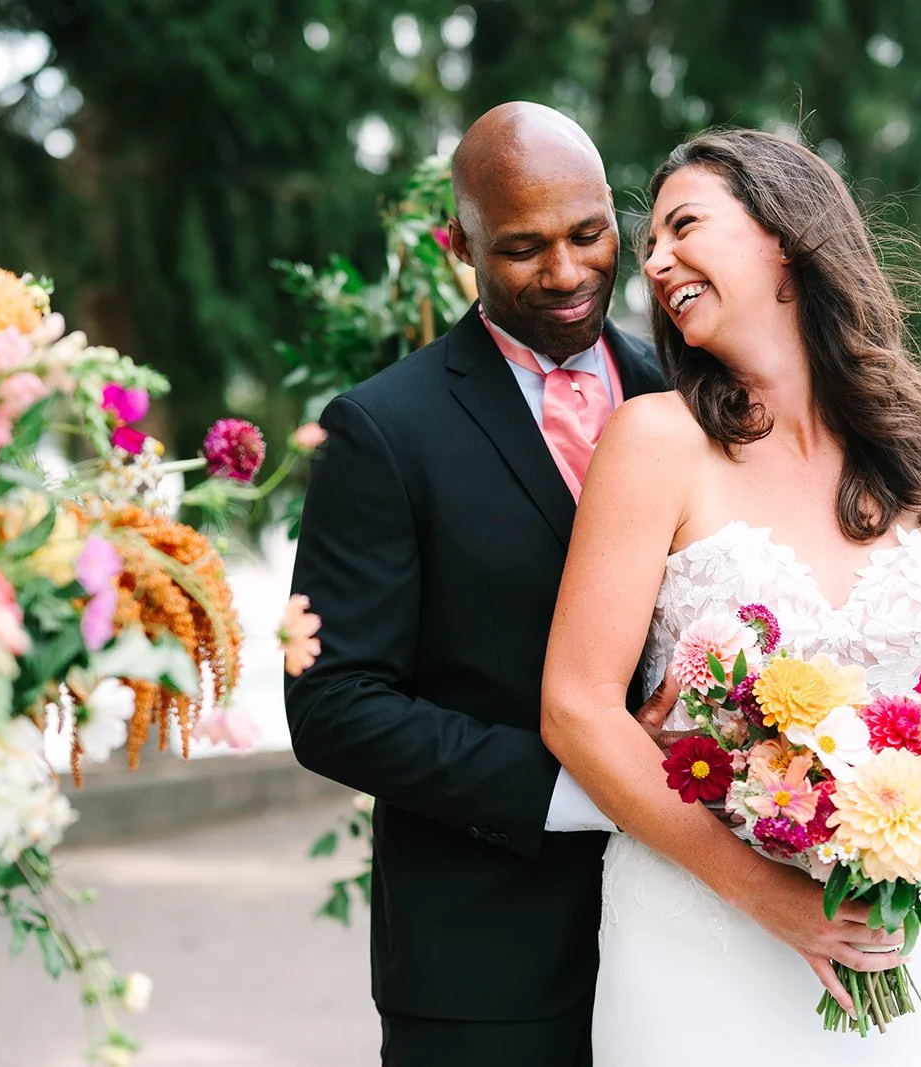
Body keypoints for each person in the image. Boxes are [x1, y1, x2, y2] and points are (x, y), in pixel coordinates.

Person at [540, 128, 921, 1063]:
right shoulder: (654, 441)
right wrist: (765, 893)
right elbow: (575, 705)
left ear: (785, 237)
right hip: (698, 937)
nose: (658, 262)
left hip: (890, 923)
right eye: (650, 250)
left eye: (684, 226)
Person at [285, 102, 669, 1067]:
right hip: (483, 969)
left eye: (589, 234)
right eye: (524, 248)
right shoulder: (381, 431)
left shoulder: (688, 395)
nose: (569, 272)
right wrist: (595, 786)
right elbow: (333, 704)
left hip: (689, 942)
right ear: (457, 243)